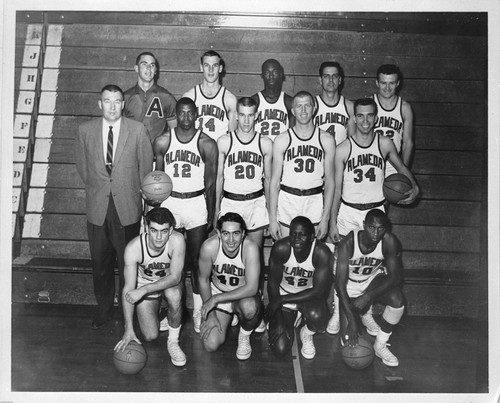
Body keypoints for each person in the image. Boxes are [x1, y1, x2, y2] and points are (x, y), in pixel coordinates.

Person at [327, 97, 418, 336]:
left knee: (372, 266)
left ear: (375, 117)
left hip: (375, 212)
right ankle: (339, 309)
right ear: (354, 118)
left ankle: (366, 310)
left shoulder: (385, 143)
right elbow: (336, 188)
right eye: (361, 115)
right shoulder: (343, 148)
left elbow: (400, 167)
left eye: (370, 115)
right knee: (343, 265)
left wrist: (415, 186)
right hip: (348, 210)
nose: (365, 120)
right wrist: (332, 221)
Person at [74, 84, 153, 329]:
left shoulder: (137, 130)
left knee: (127, 262)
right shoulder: (84, 130)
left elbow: (146, 168)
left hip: (127, 207)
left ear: (123, 104)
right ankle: (104, 310)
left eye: (117, 101)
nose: (112, 106)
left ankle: (125, 311)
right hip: (98, 206)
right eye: (107, 101)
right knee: (100, 263)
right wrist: (102, 189)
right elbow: (83, 169)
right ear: (100, 104)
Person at [154, 97, 218, 334]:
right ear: (176, 115)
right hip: (171, 202)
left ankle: (198, 310)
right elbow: (158, 180)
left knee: (196, 263)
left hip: (195, 203)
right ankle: (174, 311)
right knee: (172, 262)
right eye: (182, 113)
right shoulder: (162, 141)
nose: (186, 117)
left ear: (196, 114)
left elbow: (210, 184)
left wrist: (211, 214)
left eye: (190, 113)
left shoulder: (206, 143)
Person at [113, 208, 186, 367]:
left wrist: (144, 290)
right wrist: (129, 328)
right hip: (144, 285)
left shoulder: (178, 240)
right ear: (146, 228)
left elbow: (175, 277)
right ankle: (164, 313)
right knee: (150, 336)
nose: (159, 237)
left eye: (164, 231)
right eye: (154, 230)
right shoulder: (134, 248)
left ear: (171, 230)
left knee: (175, 296)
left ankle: (173, 341)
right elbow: (128, 289)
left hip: (167, 283)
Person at [336, 209, 405, 367]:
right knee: (348, 340)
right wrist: (352, 321)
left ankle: (380, 344)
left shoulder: (389, 241)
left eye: (380, 228)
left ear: (385, 228)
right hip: (349, 284)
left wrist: (368, 297)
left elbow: (396, 277)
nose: (376, 232)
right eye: (371, 227)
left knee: (397, 300)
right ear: (363, 225)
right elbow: (339, 285)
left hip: (372, 280)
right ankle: (357, 315)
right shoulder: (348, 242)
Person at [269, 91, 335, 241]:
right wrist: (272, 219)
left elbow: (330, 182)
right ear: (293, 111)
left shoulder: (326, 139)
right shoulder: (282, 139)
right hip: (288, 200)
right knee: (285, 251)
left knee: (312, 255)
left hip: (314, 200)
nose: (303, 110)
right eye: (299, 106)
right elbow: (274, 182)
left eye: (307, 106)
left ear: (314, 108)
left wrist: (325, 219)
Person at [198, 212, 263, 360]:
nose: (231, 240)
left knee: (250, 308)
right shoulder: (209, 247)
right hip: (219, 292)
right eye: (226, 233)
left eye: (236, 234)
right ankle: (230, 315)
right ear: (219, 233)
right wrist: (211, 313)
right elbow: (203, 280)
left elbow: (252, 287)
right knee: (210, 344)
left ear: (243, 233)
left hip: (243, 295)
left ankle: (244, 334)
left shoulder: (251, 248)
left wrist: (215, 300)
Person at [266, 216, 333, 359]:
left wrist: (281, 300)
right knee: (280, 349)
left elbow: (319, 292)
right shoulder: (281, 248)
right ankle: (291, 317)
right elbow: (272, 284)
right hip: (284, 298)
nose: (296, 239)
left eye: (302, 235)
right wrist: (278, 318)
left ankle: (307, 333)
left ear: (311, 237)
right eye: (293, 234)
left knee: (319, 316)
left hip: (308, 298)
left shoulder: (322, 252)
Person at [215, 96, 273, 249]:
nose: (246, 121)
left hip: (255, 203)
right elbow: (219, 179)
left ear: (257, 116)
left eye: (250, 115)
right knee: (229, 256)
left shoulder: (265, 143)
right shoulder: (224, 141)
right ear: (236, 116)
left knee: (255, 254)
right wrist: (216, 210)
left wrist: (269, 214)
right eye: (242, 115)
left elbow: (268, 180)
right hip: (230, 202)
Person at [182, 50, 237, 142]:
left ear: (220, 68)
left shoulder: (229, 100)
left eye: (214, 65)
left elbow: (232, 139)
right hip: (196, 151)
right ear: (201, 68)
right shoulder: (189, 97)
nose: (210, 70)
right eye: (207, 65)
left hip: (218, 152)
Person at [123, 52, 177, 144]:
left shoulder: (166, 97)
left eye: (152, 65)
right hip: (132, 153)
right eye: (144, 64)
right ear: (136, 68)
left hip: (157, 155)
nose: (149, 68)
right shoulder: (125, 97)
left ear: (155, 70)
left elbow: (175, 131)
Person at [373, 64, 414, 177]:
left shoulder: (404, 108)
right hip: (371, 166)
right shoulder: (369, 104)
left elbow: (407, 143)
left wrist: (403, 172)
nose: (387, 88)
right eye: (383, 83)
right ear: (377, 83)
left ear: (398, 83)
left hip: (394, 168)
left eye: (391, 83)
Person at [251, 58, 294, 141]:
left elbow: (293, 134)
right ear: (262, 75)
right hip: (260, 149)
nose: (271, 75)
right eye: (267, 72)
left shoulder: (289, 101)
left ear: (281, 74)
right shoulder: (254, 100)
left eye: (275, 72)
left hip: (281, 149)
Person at [313, 61, 355, 145]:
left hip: (340, 156)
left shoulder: (349, 107)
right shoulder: (312, 104)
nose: (331, 80)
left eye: (334, 76)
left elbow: (352, 143)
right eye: (326, 76)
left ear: (339, 80)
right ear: (320, 80)